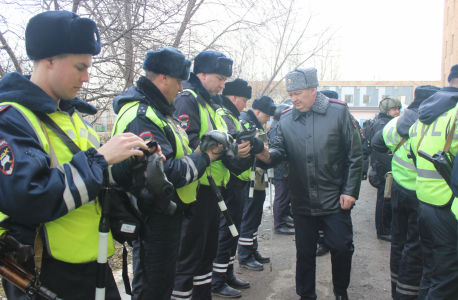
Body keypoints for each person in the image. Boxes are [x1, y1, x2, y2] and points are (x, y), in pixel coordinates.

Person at [0, 10, 150, 300]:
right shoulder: (11, 118)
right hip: (44, 271)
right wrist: (100, 159)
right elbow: (30, 197)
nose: (87, 77)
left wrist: (129, 164)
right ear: (49, 59)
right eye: (80, 67)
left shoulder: (75, 118)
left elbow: (93, 183)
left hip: (92, 262)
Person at [110, 47, 224, 299]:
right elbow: (166, 173)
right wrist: (206, 157)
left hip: (167, 215)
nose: (181, 88)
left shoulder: (161, 112)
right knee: (153, 287)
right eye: (178, 81)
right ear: (163, 77)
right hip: (153, 219)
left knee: (163, 285)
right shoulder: (142, 116)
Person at [255, 67, 362, 300]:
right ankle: (306, 295)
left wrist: (350, 191)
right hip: (302, 197)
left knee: (342, 248)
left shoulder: (339, 112)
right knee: (304, 252)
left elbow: (355, 155)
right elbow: (278, 152)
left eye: (298, 93)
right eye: (290, 93)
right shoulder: (285, 118)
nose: (293, 98)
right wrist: (263, 154)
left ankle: (341, 292)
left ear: (314, 90)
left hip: (334, 196)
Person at [172, 50, 235, 300]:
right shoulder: (188, 99)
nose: (222, 85)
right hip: (196, 188)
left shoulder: (208, 101)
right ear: (202, 74)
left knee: (206, 252)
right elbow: (188, 143)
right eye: (220, 78)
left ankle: (202, 295)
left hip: (211, 187)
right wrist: (222, 148)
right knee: (190, 254)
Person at [371, 85, 439, 299]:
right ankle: (408, 294)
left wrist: (394, 161)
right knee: (415, 248)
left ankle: (396, 289)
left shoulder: (396, 122)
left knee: (399, 243)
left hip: (399, 190)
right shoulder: (436, 122)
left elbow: (376, 143)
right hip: (422, 194)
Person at [409, 65, 458, 300]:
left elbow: (413, 153)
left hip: (425, 203)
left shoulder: (425, 117)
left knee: (430, 273)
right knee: (447, 281)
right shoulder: (455, 112)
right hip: (449, 208)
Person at [211, 78, 254, 298]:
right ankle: (217, 279)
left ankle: (226, 273)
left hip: (234, 178)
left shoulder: (233, 116)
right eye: (244, 100)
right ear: (234, 97)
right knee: (226, 230)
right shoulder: (222, 115)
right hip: (228, 179)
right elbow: (231, 146)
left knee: (233, 231)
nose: (245, 105)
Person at [237, 96, 276, 271]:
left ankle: (252, 249)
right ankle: (245, 255)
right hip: (249, 177)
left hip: (257, 175)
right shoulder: (245, 123)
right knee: (249, 216)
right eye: (267, 115)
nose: (269, 119)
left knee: (255, 216)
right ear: (258, 111)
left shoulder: (255, 124)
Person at [371, 96, 402, 242]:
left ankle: (386, 228)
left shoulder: (386, 122)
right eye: (395, 109)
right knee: (384, 200)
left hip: (384, 167)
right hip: (384, 169)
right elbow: (381, 151)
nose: (397, 112)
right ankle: (383, 230)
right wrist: (388, 169)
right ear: (387, 110)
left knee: (386, 199)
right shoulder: (383, 124)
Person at [268, 102, 295, 235]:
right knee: (281, 197)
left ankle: (284, 217)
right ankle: (279, 224)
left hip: (284, 169)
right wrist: (284, 170)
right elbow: (276, 151)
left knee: (285, 196)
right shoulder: (276, 128)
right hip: (280, 169)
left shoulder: (280, 126)